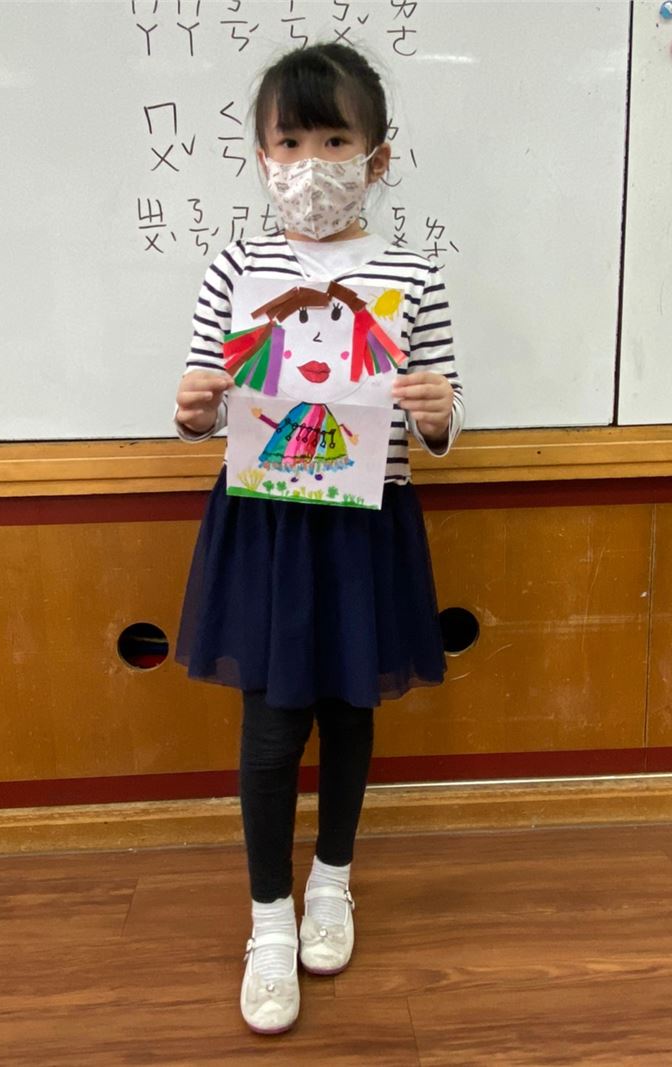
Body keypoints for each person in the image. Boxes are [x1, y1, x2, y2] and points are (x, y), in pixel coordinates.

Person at [173, 41, 464, 1035]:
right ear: (261, 156)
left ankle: (332, 879)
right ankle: (268, 919)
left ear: (377, 156)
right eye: (289, 142)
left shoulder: (411, 273)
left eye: (334, 141)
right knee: (269, 724)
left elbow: (439, 407)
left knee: (349, 707)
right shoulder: (237, 265)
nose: (310, 163)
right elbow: (205, 401)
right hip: (267, 521)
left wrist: (440, 414)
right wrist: (192, 407)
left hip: (365, 521)